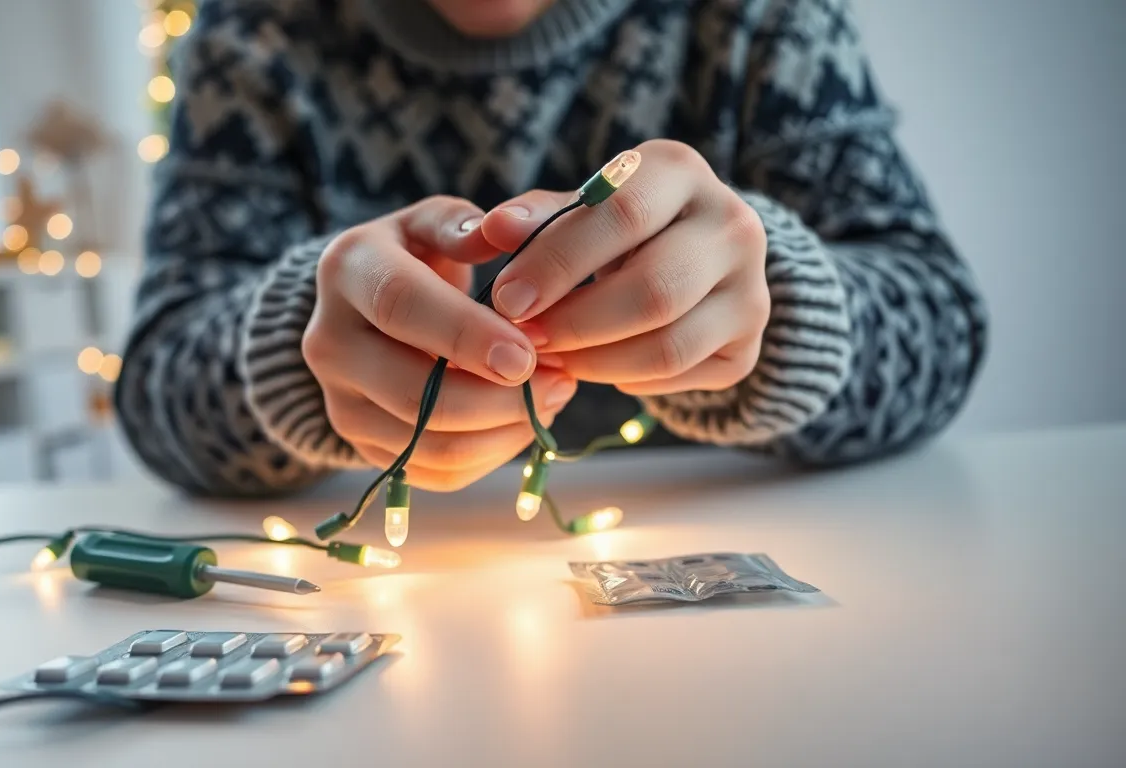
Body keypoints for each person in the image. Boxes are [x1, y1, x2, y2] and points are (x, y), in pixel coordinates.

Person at [115, 0, 987, 497]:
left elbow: (942, 326)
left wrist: (775, 308)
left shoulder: (758, 19)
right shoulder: (252, 34)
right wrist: (297, 350)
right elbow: (156, 388)